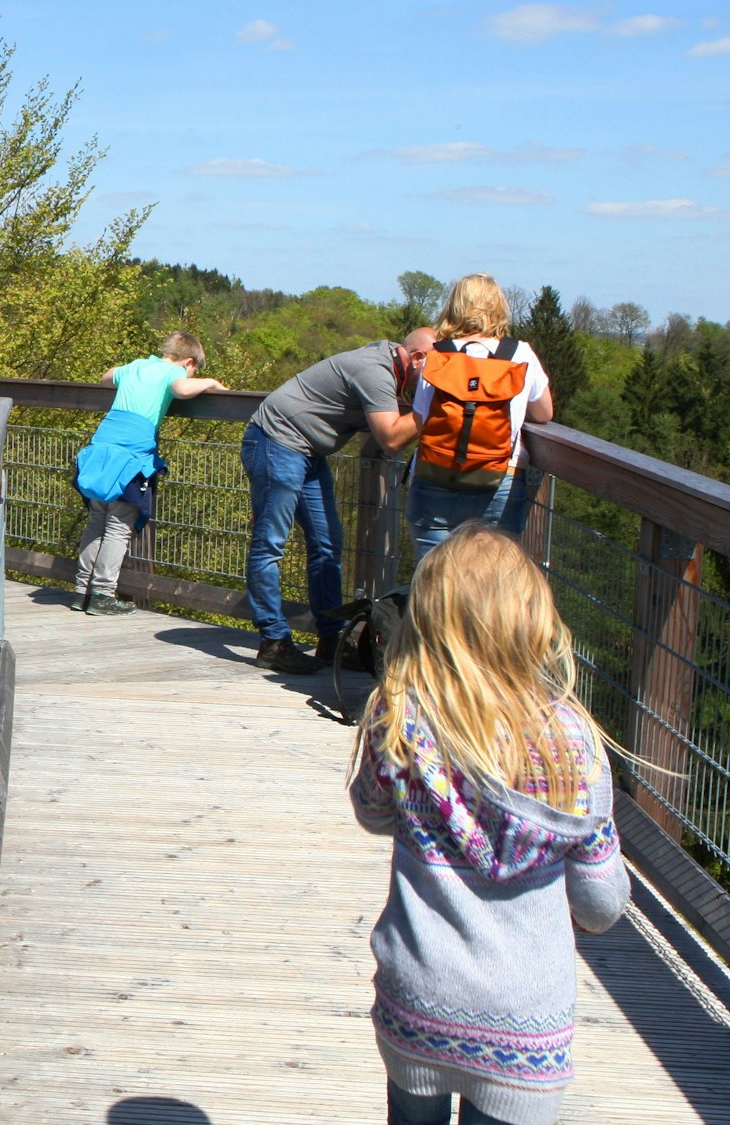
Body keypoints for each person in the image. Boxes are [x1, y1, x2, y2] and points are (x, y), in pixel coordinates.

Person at [348, 524, 627, 1125]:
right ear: (534, 620)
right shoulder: (574, 744)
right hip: (526, 1023)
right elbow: (602, 904)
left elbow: (371, 811)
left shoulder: (398, 716)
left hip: (417, 997)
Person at [241, 328, 436, 674]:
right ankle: (273, 641)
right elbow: (391, 438)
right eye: (436, 370)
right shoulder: (376, 372)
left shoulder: (388, 370)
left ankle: (331, 641)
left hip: (307, 451)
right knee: (270, 544)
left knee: (328, 544)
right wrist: (430, 405)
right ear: (417, 358)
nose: (437, 379)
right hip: (276, 441)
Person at [72, 332, 224, 616]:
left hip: (103, 446)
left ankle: (82, 591)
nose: (192, 375)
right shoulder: (173, 372)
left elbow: (107, 377)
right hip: (132, 455)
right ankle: (103, 595)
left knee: (96, 520)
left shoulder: (136, 366)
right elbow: (181, 390)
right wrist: (210, 383)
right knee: (118, 526)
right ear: (189, 361)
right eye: (195, 370)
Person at [407, 273, 555, 561]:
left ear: (454, 306)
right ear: (498, 307)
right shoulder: (520, 354)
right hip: (499, 479)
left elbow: (421, 422)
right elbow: (544, 412)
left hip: (435, 478)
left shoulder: (437, 356)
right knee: (492, 587)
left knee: (433, 587)